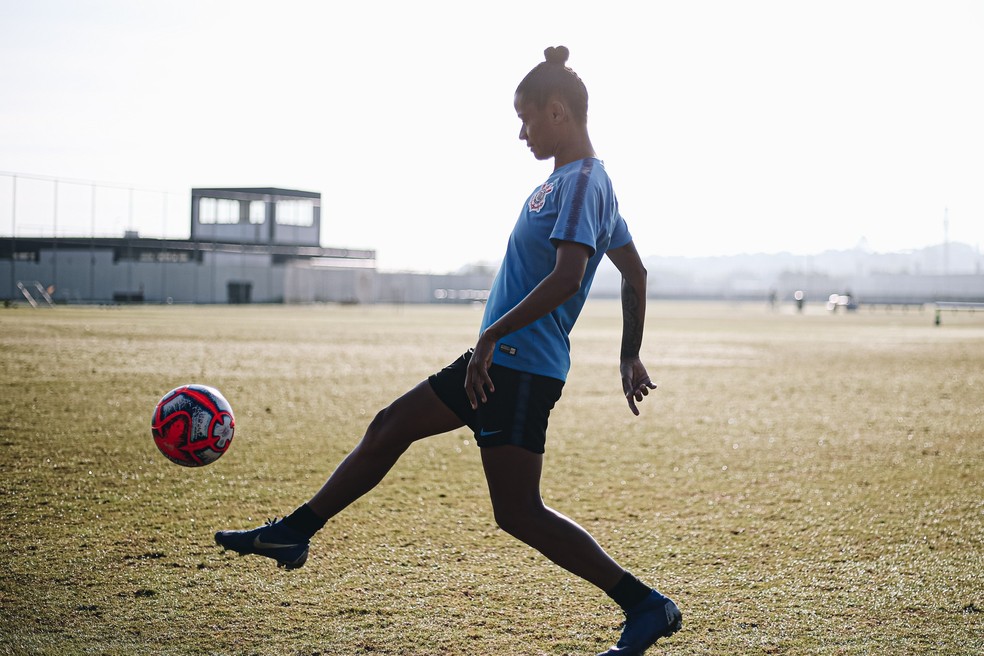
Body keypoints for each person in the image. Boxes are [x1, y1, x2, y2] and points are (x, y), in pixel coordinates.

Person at [216, 46, 681, 655]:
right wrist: (628, 354)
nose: (522, 132)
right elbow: (634, 277)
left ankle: (646, 606)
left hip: (518, 366)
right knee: (391, 425)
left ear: (558, 111)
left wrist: (493, 336)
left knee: (518, 512)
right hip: (497, 363)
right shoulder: (568, 182)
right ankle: (295, 532)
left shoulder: (588, 182)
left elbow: (574, 276)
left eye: (527, 118)